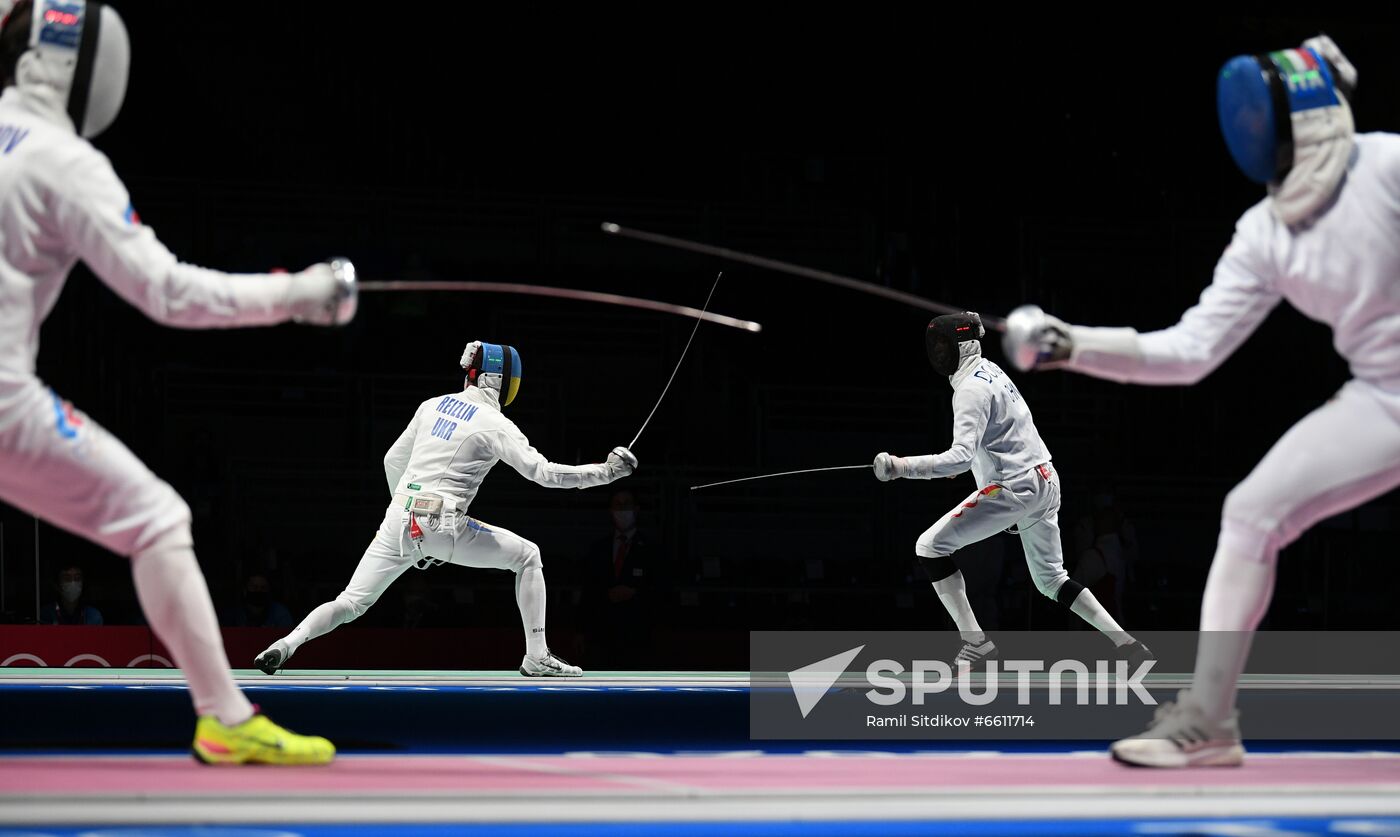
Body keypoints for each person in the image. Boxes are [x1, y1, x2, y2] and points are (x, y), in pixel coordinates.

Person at [1002, 36, 1396, 768]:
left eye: (1255, 115)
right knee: (1251, 512)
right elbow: (1190, 351)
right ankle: (1209, 722)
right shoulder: (1265, 234)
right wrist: (1069, 344)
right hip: (1386, 396)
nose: (1245, 128)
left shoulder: (1388, 166)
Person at [0, 1, 353, 764]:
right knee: (156, 517)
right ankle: (224, 716)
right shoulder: (62, 159)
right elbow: (168, 293)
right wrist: (295, 294)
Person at [256, 341, 638, 677]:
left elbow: (391, 461)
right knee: (528, 557)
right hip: (442, 522)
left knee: (350, 602)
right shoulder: (495, 423)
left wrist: (406, 513)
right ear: (500, 380)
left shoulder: (431, 406)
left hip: (397, 518)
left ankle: (287, 644)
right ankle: (537, 656)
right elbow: (544, 473)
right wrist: (605, 472)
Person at [874, 313, 1154, 667]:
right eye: (935, 346)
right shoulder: (991, 370)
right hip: (1045, 480)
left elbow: (960, 458)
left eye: (944, 345)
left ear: (963, 346)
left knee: (929, 547)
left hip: (1013, 488)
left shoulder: (970, 389)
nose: (938, 353)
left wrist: (900, 467)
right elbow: (997, 436)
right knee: (1051, 581)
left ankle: (975, 643)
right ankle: (1129, 646)